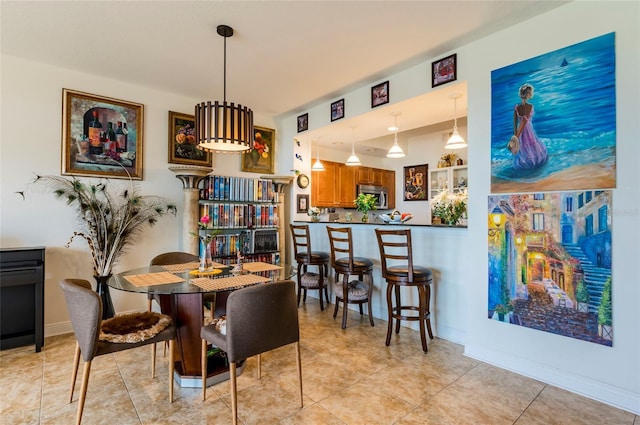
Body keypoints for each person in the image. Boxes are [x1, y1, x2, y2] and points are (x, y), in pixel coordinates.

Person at [511, 83, 548, 170]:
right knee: (532, 145)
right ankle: (535, 163)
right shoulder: (530, 106)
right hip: (528, 129)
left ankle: (526, 164)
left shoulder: (517, 107)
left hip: (520, 130)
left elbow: (515, 123)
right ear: (528, 94)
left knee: (523, 146)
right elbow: (525, 121)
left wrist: (515, 136)